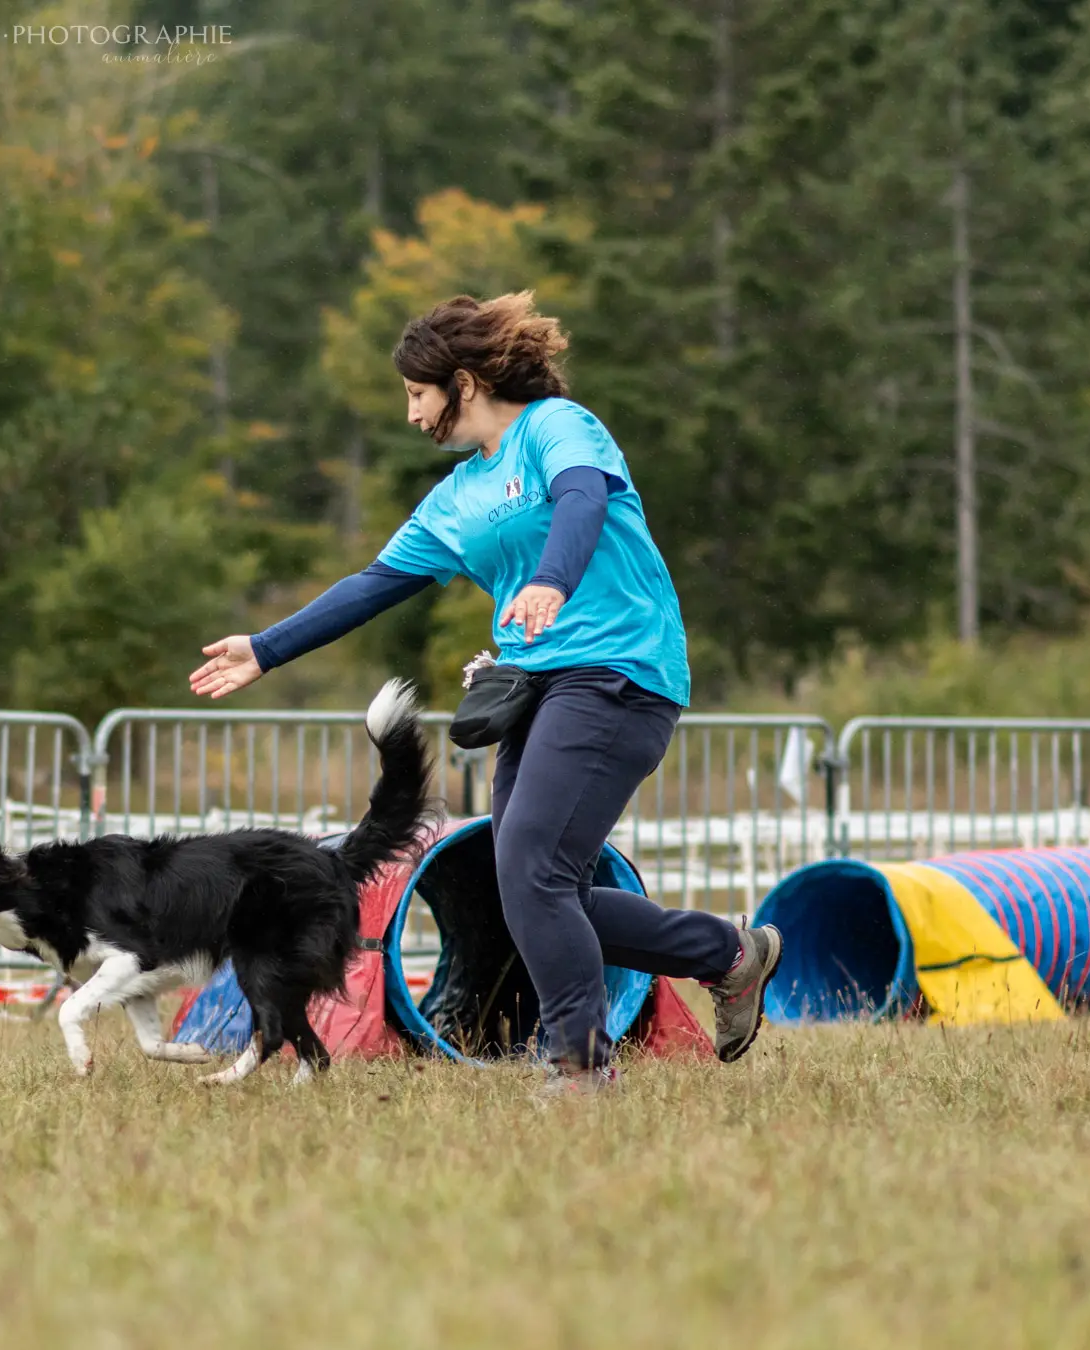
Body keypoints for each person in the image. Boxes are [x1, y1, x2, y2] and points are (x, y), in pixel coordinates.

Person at [188, 292, 781, 1092]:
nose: (409, 414)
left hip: (619, 673)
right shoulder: (455, 499)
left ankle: (578, 1067)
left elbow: (582, 500)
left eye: (415, 394)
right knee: (531, 889)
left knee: (534, 871)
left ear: (462, 383)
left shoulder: (557, 428)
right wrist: (266, 647)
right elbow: (373, 584)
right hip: (533, 690)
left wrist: (550, 581)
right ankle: (731, 957)